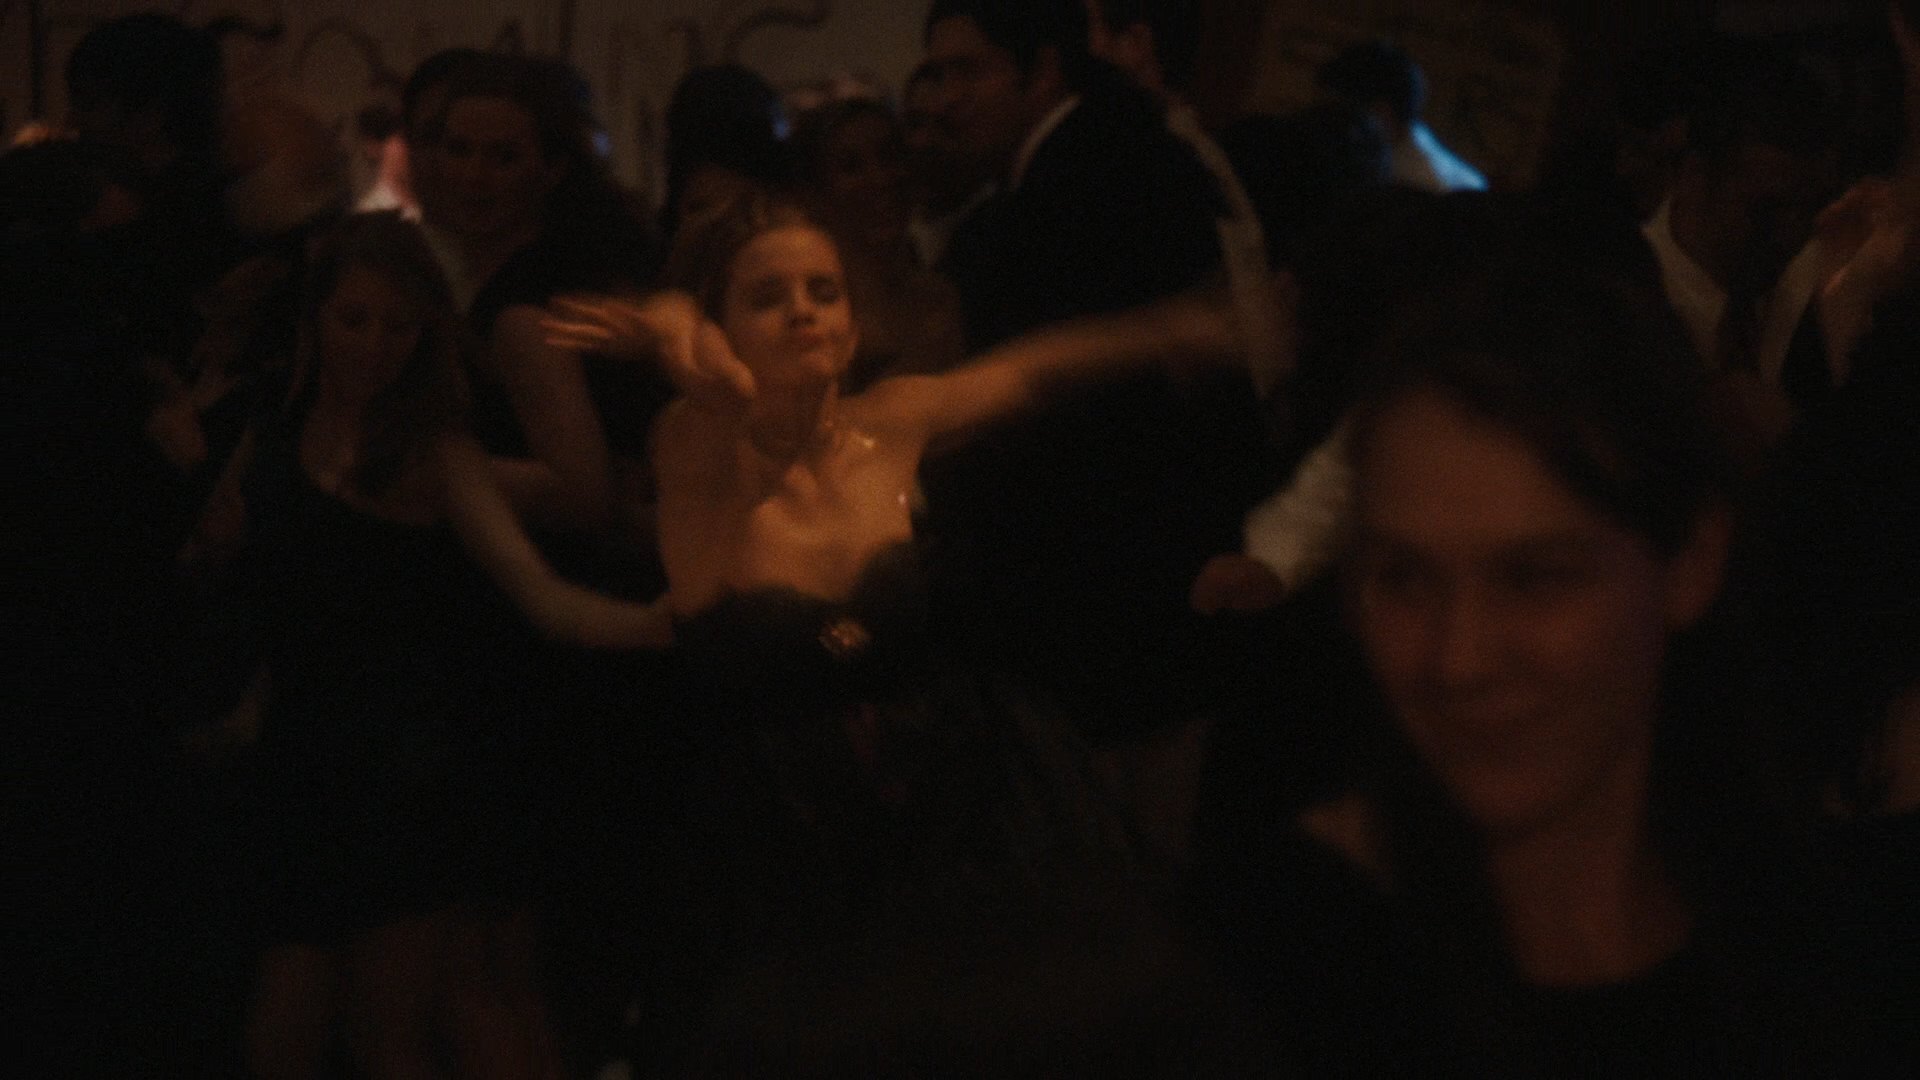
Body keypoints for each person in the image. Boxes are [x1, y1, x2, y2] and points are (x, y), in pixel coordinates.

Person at [447, 188, 1249, 1069]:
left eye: (823, 292)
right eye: (768, 298)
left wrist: (1163, 330)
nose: (803, 312)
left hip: (943, 792)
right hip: (772, 829)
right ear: (723, 330)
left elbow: (1035, 372)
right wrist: (671, 322)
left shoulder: (891, 422)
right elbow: (720, 388)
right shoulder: (696, 442)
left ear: (855, 323)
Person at [1189, 248, 1908, 1070]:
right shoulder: (1256, 972)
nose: (1458, 659)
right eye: (1404, 578)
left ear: (1690, 562)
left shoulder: (1819, 947)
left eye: (1537, 578)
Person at [183, 213, 560, 1079]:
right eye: (355, 320)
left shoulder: (431, 451)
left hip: (404, 764)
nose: (375, 345)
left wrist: (659, 612)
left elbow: (545, 567)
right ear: (316, 317)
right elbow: (220, 565)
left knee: (403, 1027)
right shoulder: (274, 426)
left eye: (398, 326)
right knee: (294, 1036)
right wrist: (213, 548)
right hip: (303, 762)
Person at [1317, 39, 1487, 194]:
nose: (1324, 121)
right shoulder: (1406, 145)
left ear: (1381, 114)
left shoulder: (1417, 188)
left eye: (1335, 110)